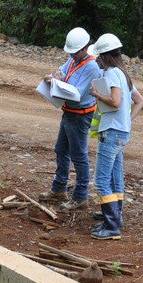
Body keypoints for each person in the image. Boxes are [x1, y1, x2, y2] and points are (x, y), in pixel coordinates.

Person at [39, 27, 102, 211]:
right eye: (71, 53)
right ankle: (59, 188)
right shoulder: (74, 58)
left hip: (80, 115)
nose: (72, 56)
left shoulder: (91, 66)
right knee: (61, 149)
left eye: (75, 53)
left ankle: (80, 196)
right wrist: (56, 75)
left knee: (78, 155)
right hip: (69, 113)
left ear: (84, 48)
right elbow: (63, 70)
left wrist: (58, 82)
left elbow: (76, 93)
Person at [88, 33, 143, 240]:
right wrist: (127, 121)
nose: (97, 61)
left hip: (111, 132)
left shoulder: (111, 73)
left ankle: (111, 226)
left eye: (98, 57)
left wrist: (97, 95)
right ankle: (115, 216)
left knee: (101, 180)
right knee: (115, 176)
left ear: (104, 56)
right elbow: (139, 101)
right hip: (122, 132)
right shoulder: (124, 74)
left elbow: (115, 102)